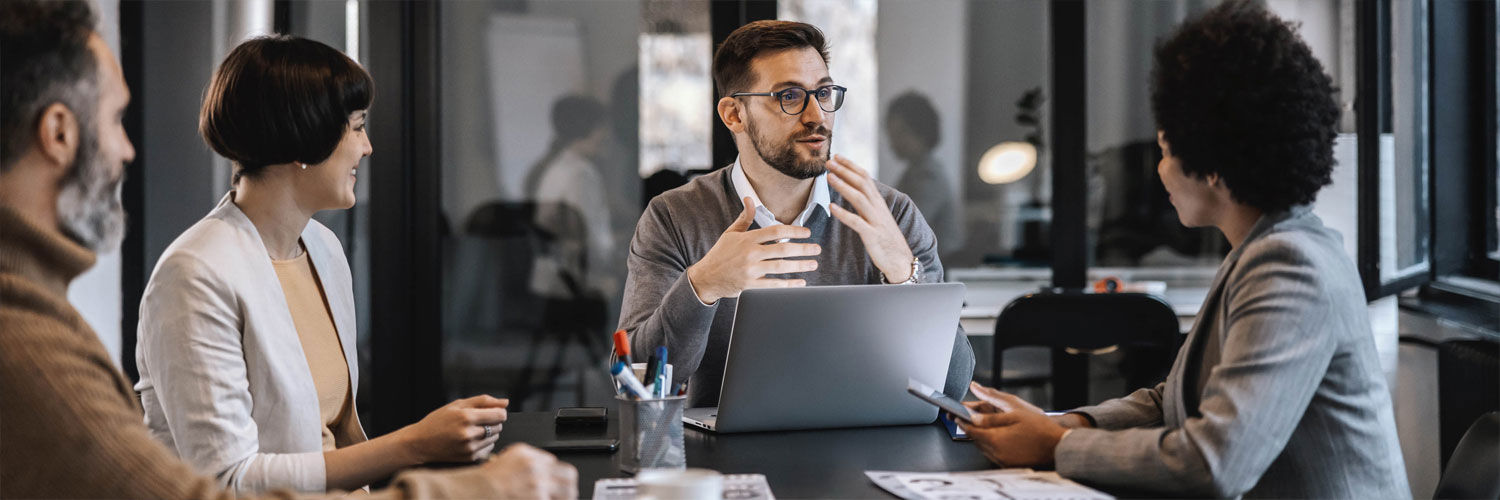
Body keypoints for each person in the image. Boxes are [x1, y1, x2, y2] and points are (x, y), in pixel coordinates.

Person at [0, 2, 575, 499]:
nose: (369, 146)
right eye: (357, 126)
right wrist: (419, 450)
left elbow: (336, 437)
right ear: (305, 139)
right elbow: (225, 482)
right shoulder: (187, 277)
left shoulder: (322, 248)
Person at [956, 2, 1408, 498]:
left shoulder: (1290, 267)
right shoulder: (1260, 249)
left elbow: (1214, 463)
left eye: (1167, 151)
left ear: (1212, 163)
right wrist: (1060, 424)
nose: (1159, 170)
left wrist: (1052, 447)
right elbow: (1168, 402)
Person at [617, 20, 974, 406]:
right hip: (726, 458)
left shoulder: (891, 215)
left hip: (864, 453)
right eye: (789, 96)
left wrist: (903, 273)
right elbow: (635, 384)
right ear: (734, 114)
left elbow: (952, 389)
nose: (816, 115)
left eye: (823, 92)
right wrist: (703, 285)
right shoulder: (674, 216)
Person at [887, 91, 960, 252]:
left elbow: (908, 228)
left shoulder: (929, 175)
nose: (893, 140)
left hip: (939, 268)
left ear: (921, 132)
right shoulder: (913, 171)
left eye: (901, 132)